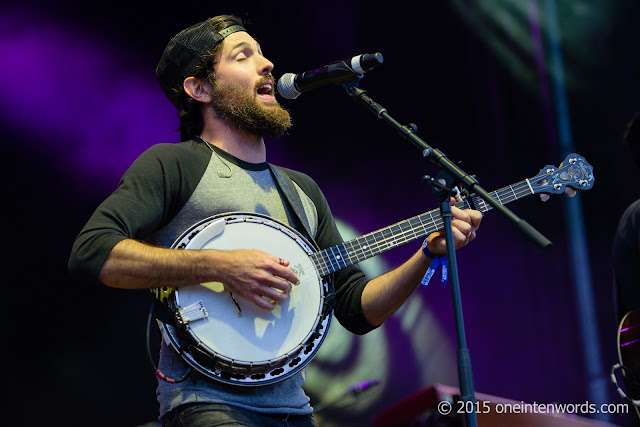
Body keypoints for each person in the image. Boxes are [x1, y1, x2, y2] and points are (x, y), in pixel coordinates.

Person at [68, 15, 482, 426]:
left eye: (263, 54)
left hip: (296, 412)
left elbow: (357, 311)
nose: (267, 64)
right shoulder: (173, 164)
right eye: (243, 56)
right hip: (209, 407)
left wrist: (427, 254)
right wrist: (222, 266)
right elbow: (93, 253)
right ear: (200, 88)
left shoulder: (303, 191)